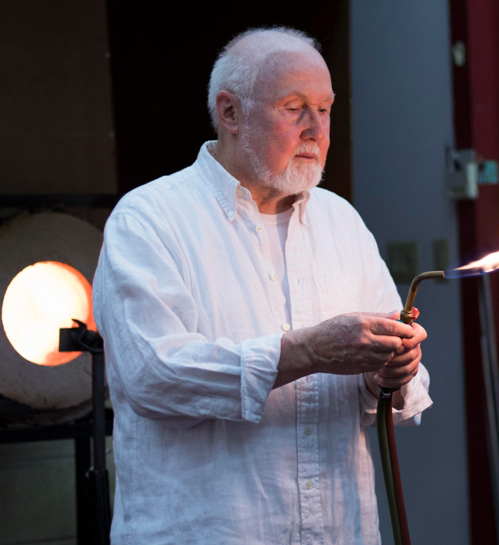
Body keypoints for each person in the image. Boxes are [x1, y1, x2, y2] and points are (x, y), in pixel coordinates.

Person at [93, 26, 432, 545]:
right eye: (294, 107)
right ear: (229, 113)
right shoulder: (149, 219)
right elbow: (154, 377)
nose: (316, 128)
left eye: (325, 108)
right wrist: (309, 350)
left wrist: (392, 371)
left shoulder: (340, 220)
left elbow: (397, 394)